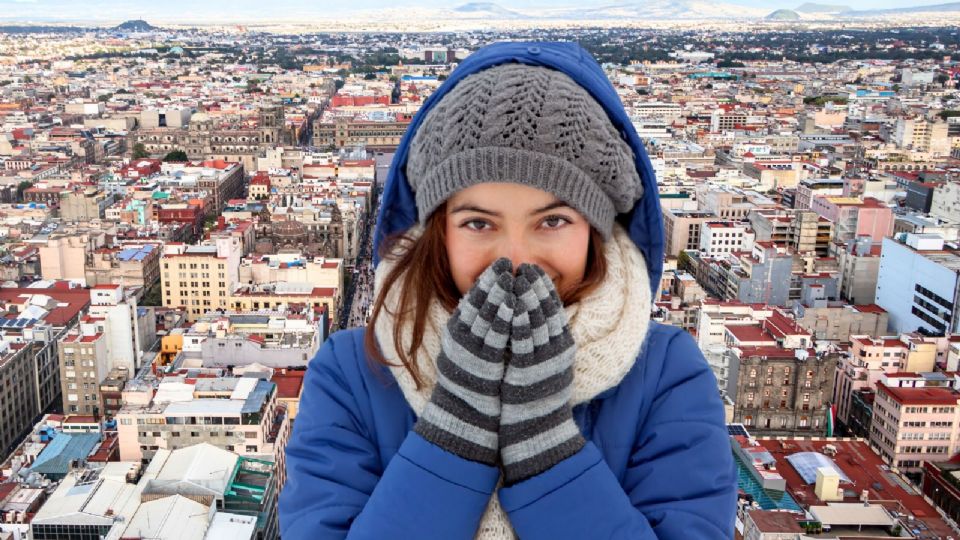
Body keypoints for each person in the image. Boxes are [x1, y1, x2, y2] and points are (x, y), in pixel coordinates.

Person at [279, 41, 737, 539]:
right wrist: (454, 434)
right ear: (438, 231)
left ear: (597, 229)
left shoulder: (667, 375)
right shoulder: (353, 373)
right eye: (479, 223)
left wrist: (547, 452)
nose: (515, 258)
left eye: (553, 220)